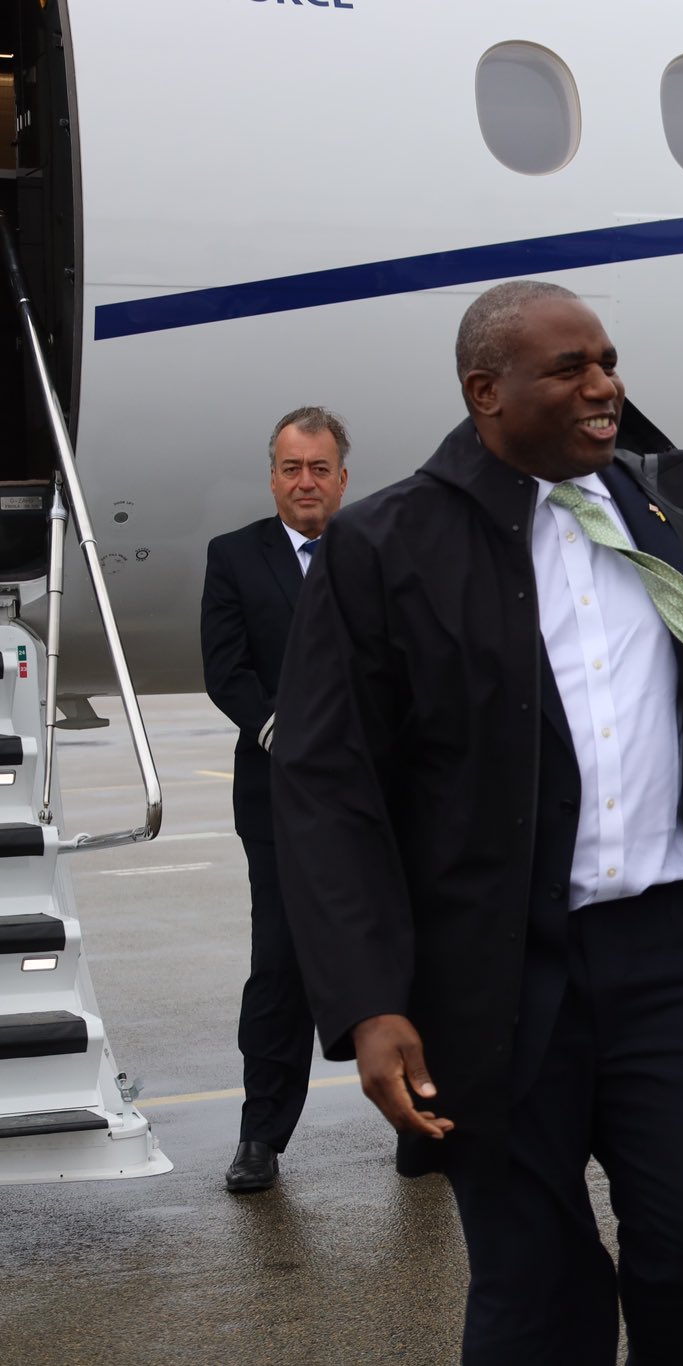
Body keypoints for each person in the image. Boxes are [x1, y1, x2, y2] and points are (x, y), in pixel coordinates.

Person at [269, 280, 683, 1364]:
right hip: (491, 969)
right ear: (486, 393)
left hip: (676, 949)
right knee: (534, 1285)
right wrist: (369, 1000)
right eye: (570, 369)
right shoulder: (387, 546)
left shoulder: (677, 518)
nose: (605, 387)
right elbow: (328, 785)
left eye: (608, 360)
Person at [199, 404, 350, 1194]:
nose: (304, 482)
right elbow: (225, 670)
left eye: (318, 468)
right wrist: (277, 732)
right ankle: (261, 1135)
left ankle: (424, 1123)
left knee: (417, 956)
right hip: (280, 796)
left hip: (374, 799)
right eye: (291, 468)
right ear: (273, 477)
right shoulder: (234, 557)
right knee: (281, 966)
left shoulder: (378, 552)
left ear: (341, 478)